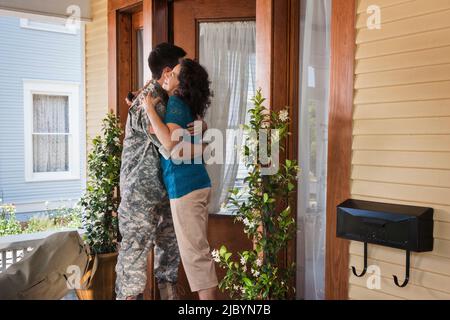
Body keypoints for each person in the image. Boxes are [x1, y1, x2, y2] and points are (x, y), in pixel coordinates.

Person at [115, 43, 189, 300]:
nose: (185, 74)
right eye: (181, 68)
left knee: (168, 260)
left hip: (163, 193)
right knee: (133, 268)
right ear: (168, 72)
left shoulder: (165, 97)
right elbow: (170, 146)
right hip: (140, 197)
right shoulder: (150, 102)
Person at [144, 58, 218, 300]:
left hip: (186, 187)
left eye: (173, 73)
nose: (168, 76)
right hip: (196, 185)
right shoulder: (186, 105)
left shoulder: (175, 101)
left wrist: (149, 110)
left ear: (182, 82)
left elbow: (170, 144)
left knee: (196, 256)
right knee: (198, 253)